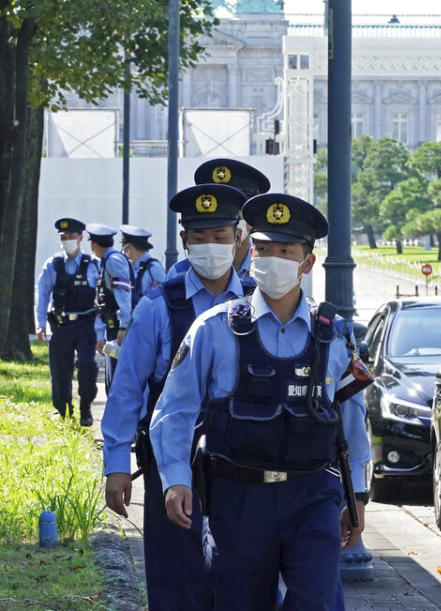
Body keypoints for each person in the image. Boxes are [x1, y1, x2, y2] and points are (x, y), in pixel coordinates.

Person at [151, 192, 370, 611]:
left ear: (307, 262)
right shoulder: (214, 330)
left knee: (318, 603)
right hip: (239, 496)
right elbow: (175, 407)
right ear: (250, 251)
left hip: (313, 495)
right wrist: (176, 477)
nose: (272, 260)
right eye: (263, 249)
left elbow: (352, 420)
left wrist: (356, 492)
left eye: (285, 251)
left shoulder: (336, 335)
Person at [102, 184, 248, 611]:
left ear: (238, 237)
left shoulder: (258, 303)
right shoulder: (157, 308)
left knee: (243, 584)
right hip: (171, 466)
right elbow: (127, 391)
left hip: (244, 467)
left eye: (220, 238)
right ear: (183, 240)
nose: (210, 248)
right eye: (199, 238)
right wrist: (116, 466)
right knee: (174, 582)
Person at [34, 218, 103, 424]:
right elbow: (43, 294)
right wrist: (39, 323)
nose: (67, 240)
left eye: (71, 236)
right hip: (61, 325)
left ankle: (85, 409)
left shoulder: (93, 265)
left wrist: (100, 332)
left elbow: (101, 299)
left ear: (80, 238)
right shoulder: (53, 265)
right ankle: (63, 410)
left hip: (85, 325)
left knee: (87, 366)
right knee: (60, 370)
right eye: (63, 237)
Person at [166, 159, 271, 285]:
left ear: (253, 216)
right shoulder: (179, 275)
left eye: (236, 209)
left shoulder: (269, 274)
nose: (225, 218)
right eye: (218, 211)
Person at [88, 223, 133, 393]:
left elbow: (123, 294)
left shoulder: (113, 261)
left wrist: (123, 325)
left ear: (93, 244)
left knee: (117, 380)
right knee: (111, 379)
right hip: (111, 328)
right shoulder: (107, 261)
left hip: (118, 330)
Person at [120, 225, 165, 309]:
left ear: (128, 247)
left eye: (122, 244)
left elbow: (162, 298)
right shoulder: (129, 267)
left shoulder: (154, 268)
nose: (122, 250)